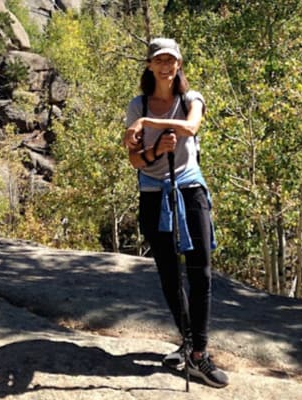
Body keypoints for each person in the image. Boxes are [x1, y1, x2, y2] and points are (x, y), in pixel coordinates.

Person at [123, 37, 228, 389]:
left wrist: (148, 125)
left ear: (179, 65)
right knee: (169, 273)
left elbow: (192, 127)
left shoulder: (190, 99)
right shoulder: (136, 104)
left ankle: (199, 353)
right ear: (150, 65)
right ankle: (186, 342)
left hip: (189, 190)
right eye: (159, 60)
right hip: (154, 194)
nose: (166, 66)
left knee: (200, 272)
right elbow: (136, 160)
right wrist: (154, 147)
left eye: (171, 60)